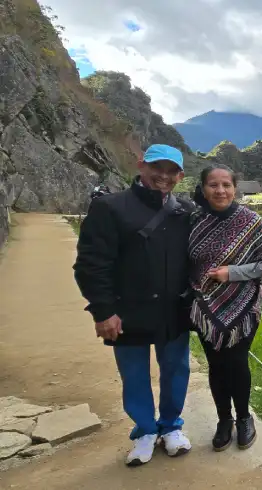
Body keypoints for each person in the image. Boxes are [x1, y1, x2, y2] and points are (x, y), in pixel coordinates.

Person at [73, 144, 195, 467]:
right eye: (158, 167)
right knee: (134, 373)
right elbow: (90, 264)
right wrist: (103, 311)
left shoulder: (185, 212)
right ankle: (144, 430)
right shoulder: (110, 208)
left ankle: (171, 426)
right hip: (126, 312)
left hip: (173, 311)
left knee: (176, 370)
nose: (164, 176)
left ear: (180, 176)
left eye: (172, 171)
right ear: (141, 165)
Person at [188, 164, 262, 451]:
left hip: (244, 305)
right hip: (204, 307)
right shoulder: (194, 221)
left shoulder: (251, 222)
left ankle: (244, 418)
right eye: (213, 185)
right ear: (203, 188)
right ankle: (223, 420)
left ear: (235, 188)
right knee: (216, 365)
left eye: (226, 185)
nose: (220, 190)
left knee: (237, 363)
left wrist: (233, 272)